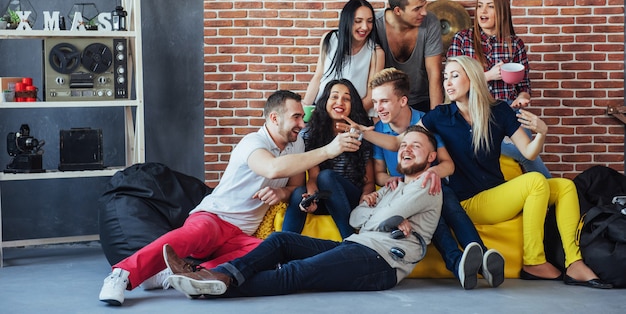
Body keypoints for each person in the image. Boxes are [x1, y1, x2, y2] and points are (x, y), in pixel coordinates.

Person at [98, 90, 366, 306]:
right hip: (216, 217)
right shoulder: (253, 142)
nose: (302, 123)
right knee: (190, 235)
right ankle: (122, 275)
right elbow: (272, 168)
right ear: (274, 118)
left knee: (268, 259)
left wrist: (280, 192)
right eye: (296, 117)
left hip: (242, 235)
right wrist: (330, 150)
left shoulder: (296, 144)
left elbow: (294, 185)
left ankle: (180, 274)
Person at [163, 126, 443, 298]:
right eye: (403, 145)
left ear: (431, 157)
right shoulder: (392, 187)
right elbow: (356, 218)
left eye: (415, 146)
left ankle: (208, 282)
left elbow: (372, 219)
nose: (406, 149)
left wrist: (381, 213)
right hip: (359, 245)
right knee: (281, 240)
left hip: (380, 263)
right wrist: (386, 213)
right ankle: (213, 275)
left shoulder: (427, 186)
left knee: (295, 273)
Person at [419, 56, 612, 289]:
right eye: (446, 77)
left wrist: (542, 133)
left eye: (455, 75)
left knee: (565, 186)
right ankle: (534, 261)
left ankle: (574, 262)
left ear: (472, 79)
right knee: (535, 182)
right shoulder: (440, 116)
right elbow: (408, 138)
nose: (447, 82)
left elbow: (529, 153)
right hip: (469, 201)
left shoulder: (498, 111)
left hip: (497, 193)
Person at [368, 67, 505, 289]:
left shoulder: (428, 122)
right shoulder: (377, 130)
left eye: (383, 101)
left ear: (402, 101)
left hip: (434, 189)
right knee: (431, 205)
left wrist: (432, 173)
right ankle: (478, 261)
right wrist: (389, 181)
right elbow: (380, 173)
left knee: (439, 197)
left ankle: (468, 261)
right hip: (404, 195)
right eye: (375, 102)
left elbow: (447, 164)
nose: (378, 108)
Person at [446, 0, 551, 178]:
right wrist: (487, 75)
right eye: (479, 6)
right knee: (527, 155)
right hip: (476, 115)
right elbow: (452, 82)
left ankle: (545, 195)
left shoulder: (515, 43)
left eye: (489, 6)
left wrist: (522, 97)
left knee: (526, 146)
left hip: (509, 113)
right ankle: (554, 195)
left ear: (501, 11)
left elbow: (524, 86)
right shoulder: (462, 40)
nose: (482, 11)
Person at [282, 79, 375, 239]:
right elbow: (313, 177)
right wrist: (311, 196)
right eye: (334, 97)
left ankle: (350, 240)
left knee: (327, 176)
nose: (340, 102)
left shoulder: (360, 135)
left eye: (346, 98)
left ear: (353, 104)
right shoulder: (311, 134)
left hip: (350, 198)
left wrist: (365, 198)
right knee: (299, 193)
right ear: (325, 101)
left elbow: (369, 182)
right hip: (324, 196)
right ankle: (282, 251)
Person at [303, 0, 384, 113]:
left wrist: (345, 115)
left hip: (353, 115)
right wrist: (305, 107)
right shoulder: (329, 39)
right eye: (358, 21)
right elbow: (318, 77)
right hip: (321, 112)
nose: (365, 27)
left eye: (370, 21)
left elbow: (371, 96)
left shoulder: (376, 52)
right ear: (347, 21)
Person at [375, 0, 444, 112]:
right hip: (386, 103)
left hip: (421, 100)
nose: (424, 12)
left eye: (424, 6)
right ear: (398, 11)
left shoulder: (430, 22)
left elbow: (434, 74)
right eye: (417, 8)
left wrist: (435, 120)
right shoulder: (375, 25)